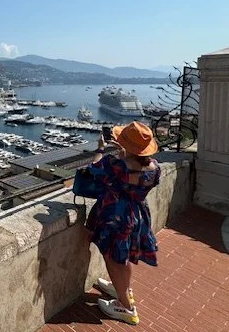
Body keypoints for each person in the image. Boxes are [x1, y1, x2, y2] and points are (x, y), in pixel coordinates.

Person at [86, 121, 160, 325]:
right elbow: (133, 176)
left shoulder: (114, 164)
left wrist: (101, 148)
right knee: (123, 256)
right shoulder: (155, 168)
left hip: (114, 216)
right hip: (137, 215)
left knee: (112, 257)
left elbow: (93, 169)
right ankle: (123, 289)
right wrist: (125, 152)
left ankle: (126, 306)